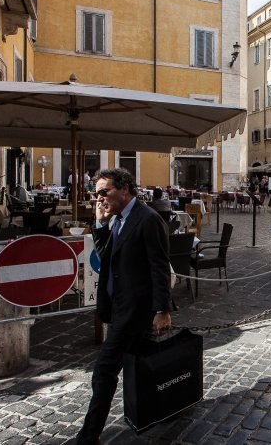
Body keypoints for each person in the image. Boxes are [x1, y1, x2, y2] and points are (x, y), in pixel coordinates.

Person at [76, 168, 173, 445]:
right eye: (96, 193)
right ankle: (165, 404)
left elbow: (159, 267)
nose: (99, 198)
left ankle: (88, 436)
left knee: (104, 371)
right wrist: (99, 224)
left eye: (104, 192)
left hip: (135, 311)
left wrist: (162, 310)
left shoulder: (148, 219)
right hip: (118, 307)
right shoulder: (117, 220)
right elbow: (107, 258)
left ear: (125, 189)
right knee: (144, 364)